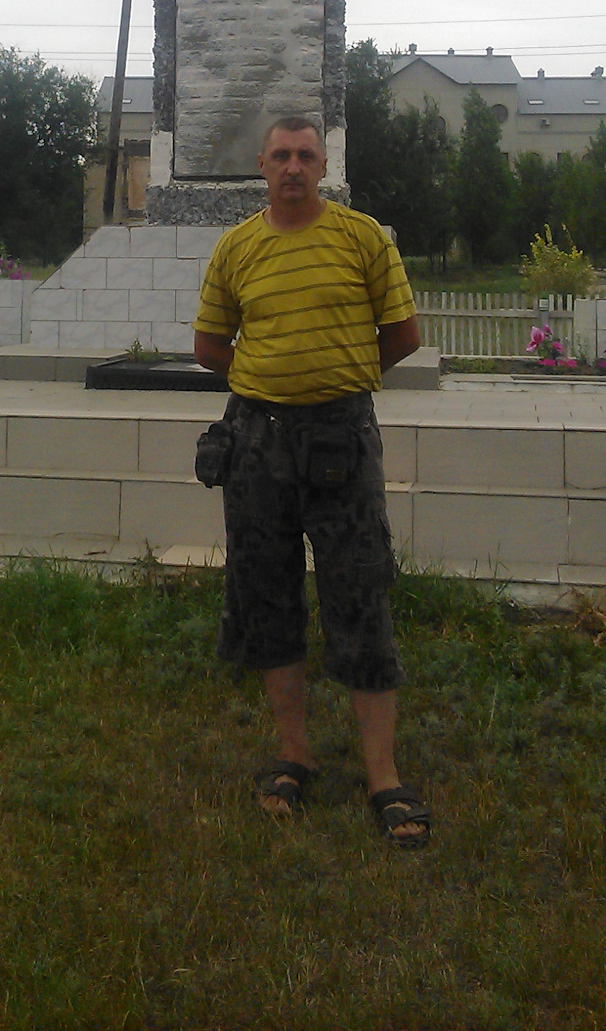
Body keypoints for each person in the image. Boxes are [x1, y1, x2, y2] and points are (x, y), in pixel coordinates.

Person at [194, 114, 430, 847]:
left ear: (323, 165)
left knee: (358, 592)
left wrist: (336, 382)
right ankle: (293, 755)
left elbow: (403, 335)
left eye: (305, 155)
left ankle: (383, 773)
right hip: (256, 444)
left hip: (342, 443)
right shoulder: (236, 246)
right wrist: (269, 384)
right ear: (261, 165)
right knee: (266, 595)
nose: (292, 166)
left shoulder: (363, 238)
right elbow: (209, 344)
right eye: (280, 155)